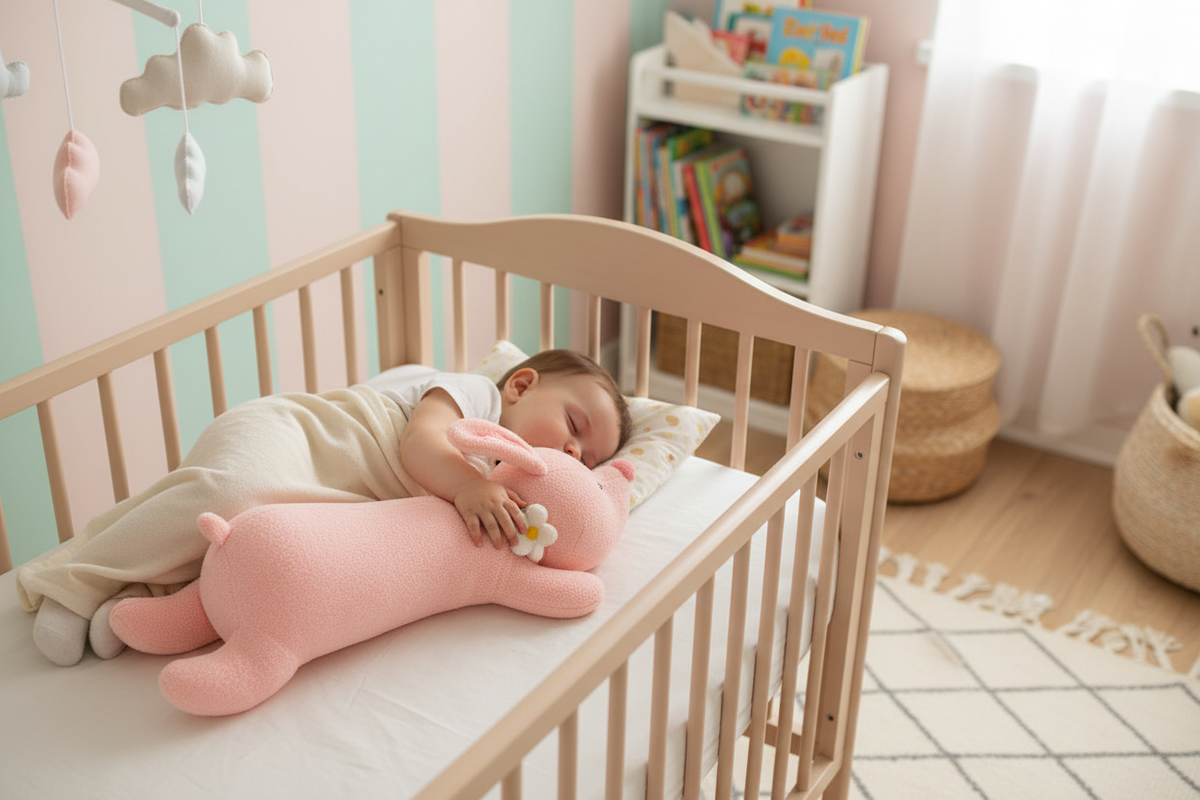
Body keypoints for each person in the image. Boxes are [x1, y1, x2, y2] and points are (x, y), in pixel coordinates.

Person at [17, 349, 632, 666]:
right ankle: (74, 579)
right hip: (306, 437)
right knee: (229, 494)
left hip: (331, 490)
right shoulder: (475, 398)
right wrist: (467, 485)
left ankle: (137, 595)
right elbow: (422, 443)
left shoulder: (506, 481)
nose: (573, 452)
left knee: (249, 539)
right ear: (521, 385)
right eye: (574, 424)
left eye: (586, 457)